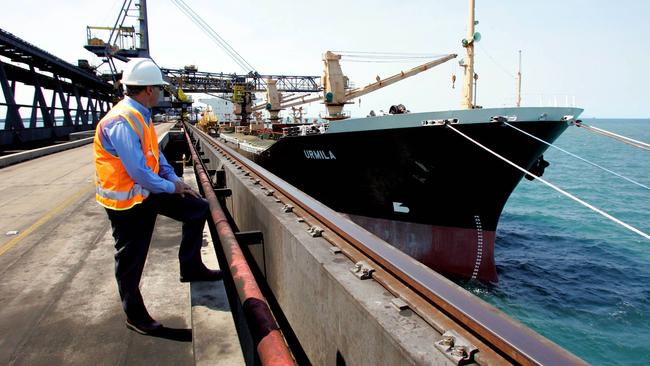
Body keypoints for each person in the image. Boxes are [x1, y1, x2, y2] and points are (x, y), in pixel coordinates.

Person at [93, 58, 222, 335]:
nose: (163, 93)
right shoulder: (120, 121)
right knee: (130, 260)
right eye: (160, 88)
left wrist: (176, 180)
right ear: (148, 89)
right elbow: (138, 171)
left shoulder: (141, 114)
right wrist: (169, 188)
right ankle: (135, 316)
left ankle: (190, 267)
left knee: (198, 208)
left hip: (148, 191)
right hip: (126, 202)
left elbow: (156, 155)